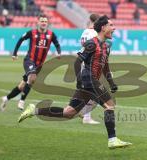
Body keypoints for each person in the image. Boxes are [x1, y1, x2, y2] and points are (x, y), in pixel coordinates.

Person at [18, 15, 132, 149]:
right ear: (103, 28)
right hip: (88, 79)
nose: (114, 28)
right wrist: (79, 80)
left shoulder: (106, 47)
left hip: (90, 81)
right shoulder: (91, 43)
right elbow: (78, 61)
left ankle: (34, 111)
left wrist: (111, 82)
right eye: (111, 25)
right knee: (109, 105)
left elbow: (105, 65)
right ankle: (112, 139)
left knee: (69, 112)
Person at [0, 14, 61, 111]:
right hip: (29, 60)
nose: (44, 23)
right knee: (32, 78)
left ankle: (6, 98)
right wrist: (15, 53)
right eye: (42, 21)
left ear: (47, 23)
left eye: (45, 21)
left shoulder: (51, 34)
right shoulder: (32, 33)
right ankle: (22, 101)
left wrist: (59, 53)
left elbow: (57, 44)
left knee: (22, 86)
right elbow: (20, 40)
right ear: (38, 22)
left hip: (39, 64)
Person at [78, 13, 100, 125]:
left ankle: (84, 113)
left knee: (89, 92)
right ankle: (85, 116)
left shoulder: (85, 32)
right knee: (96, 93)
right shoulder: (95, 33)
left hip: (84, 64)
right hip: (91, 65)